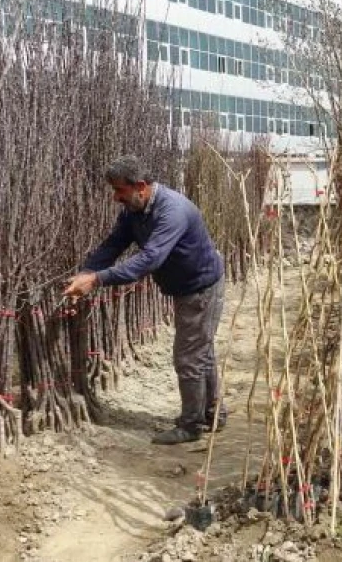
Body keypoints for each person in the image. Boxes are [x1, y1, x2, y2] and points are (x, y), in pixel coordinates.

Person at [63, 155, 228, 445]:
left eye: (119, 191)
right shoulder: (134, 211)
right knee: (200, 349)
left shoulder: (172, 211)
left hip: (200, 287)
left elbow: (150, 258)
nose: (116, 198)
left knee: (189, 356)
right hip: (185, 285)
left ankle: (191, 425)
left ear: (140, 186)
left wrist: (98, 280)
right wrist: (88, 271)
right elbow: (114, 244)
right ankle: (213, 413)